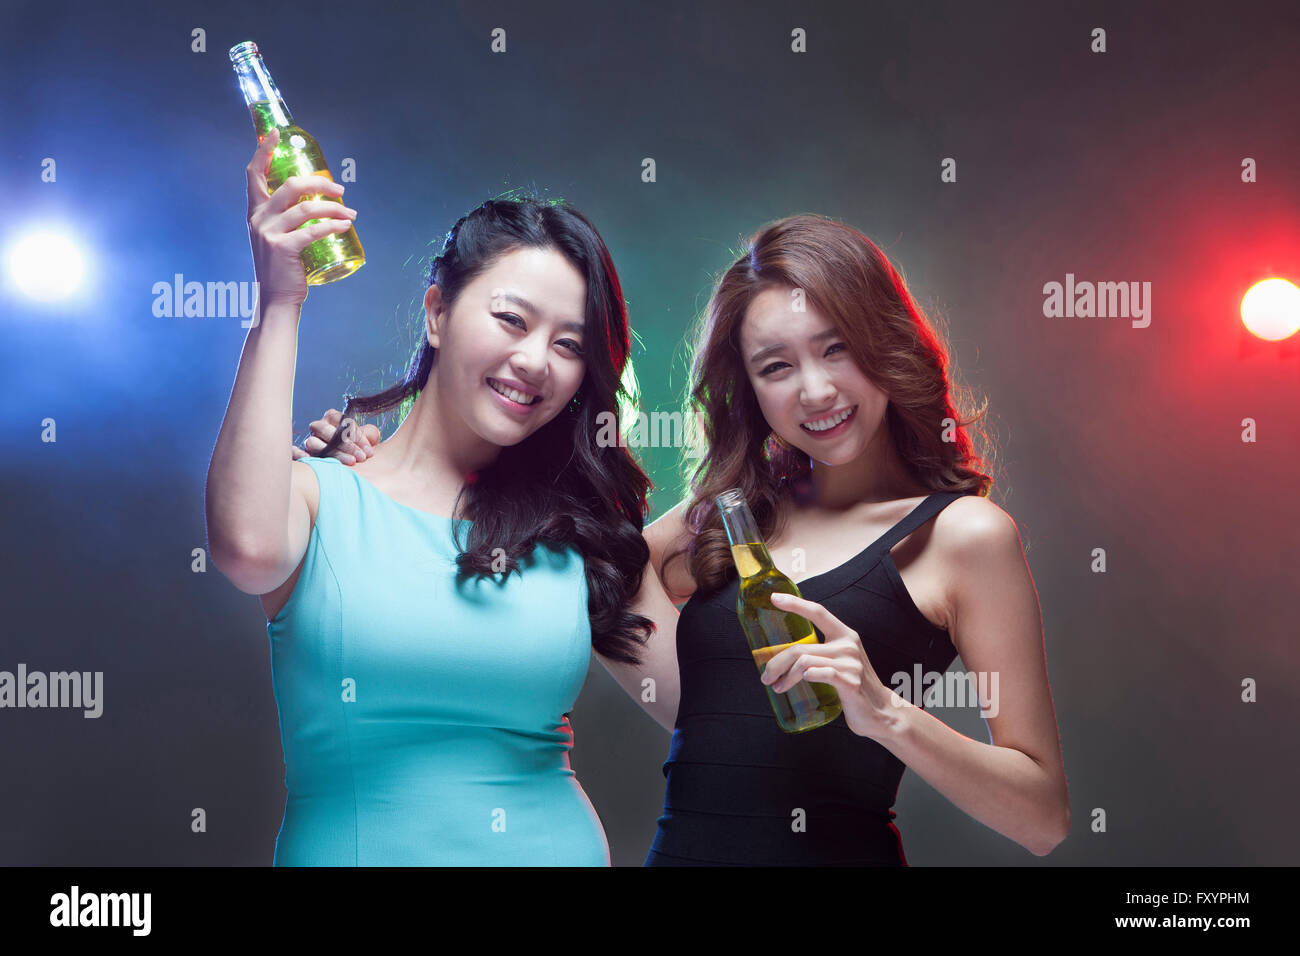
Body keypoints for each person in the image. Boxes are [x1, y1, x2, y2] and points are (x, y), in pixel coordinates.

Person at [300, 213, 1070, 865]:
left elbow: (1042, 817)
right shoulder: (733, 518)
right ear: (749, 389)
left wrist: (887, 714)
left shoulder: (962, 535)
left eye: (837, 347)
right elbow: (594, 581)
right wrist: (377, 481)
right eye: (777, 366)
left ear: (887, 342)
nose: (816, 391)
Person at [205, 128, 680, 865]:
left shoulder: (579, 534)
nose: (534, 361)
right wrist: (280, 301)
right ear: (437, 311)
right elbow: (245, 548)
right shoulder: (317, 498)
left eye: (569, 344)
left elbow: (701, 711)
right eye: (512, 320)